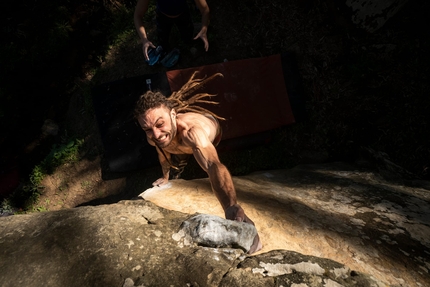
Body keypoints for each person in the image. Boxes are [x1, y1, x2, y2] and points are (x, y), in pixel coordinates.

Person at [134, 72, 262, 254]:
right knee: (167, 144)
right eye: (147, 129)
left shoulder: (191, 133)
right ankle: (180, 152)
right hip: (182, 141)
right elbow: (162, 153)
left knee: (196, 149)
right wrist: (165, 176)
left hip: (211, 130)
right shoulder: (154, 138)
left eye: (160, 124)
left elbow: (212, 164)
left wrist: (231, 206)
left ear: (172, 114)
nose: (155, 134)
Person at [134, 0, 210, 61]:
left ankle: (188, 43)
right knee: (163, 37)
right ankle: (164, 48)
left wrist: (204, 28)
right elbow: (138, 15)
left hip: (183, 14)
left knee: (187, 34)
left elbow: (205, 9)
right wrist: (144, 39)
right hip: (162, 16)